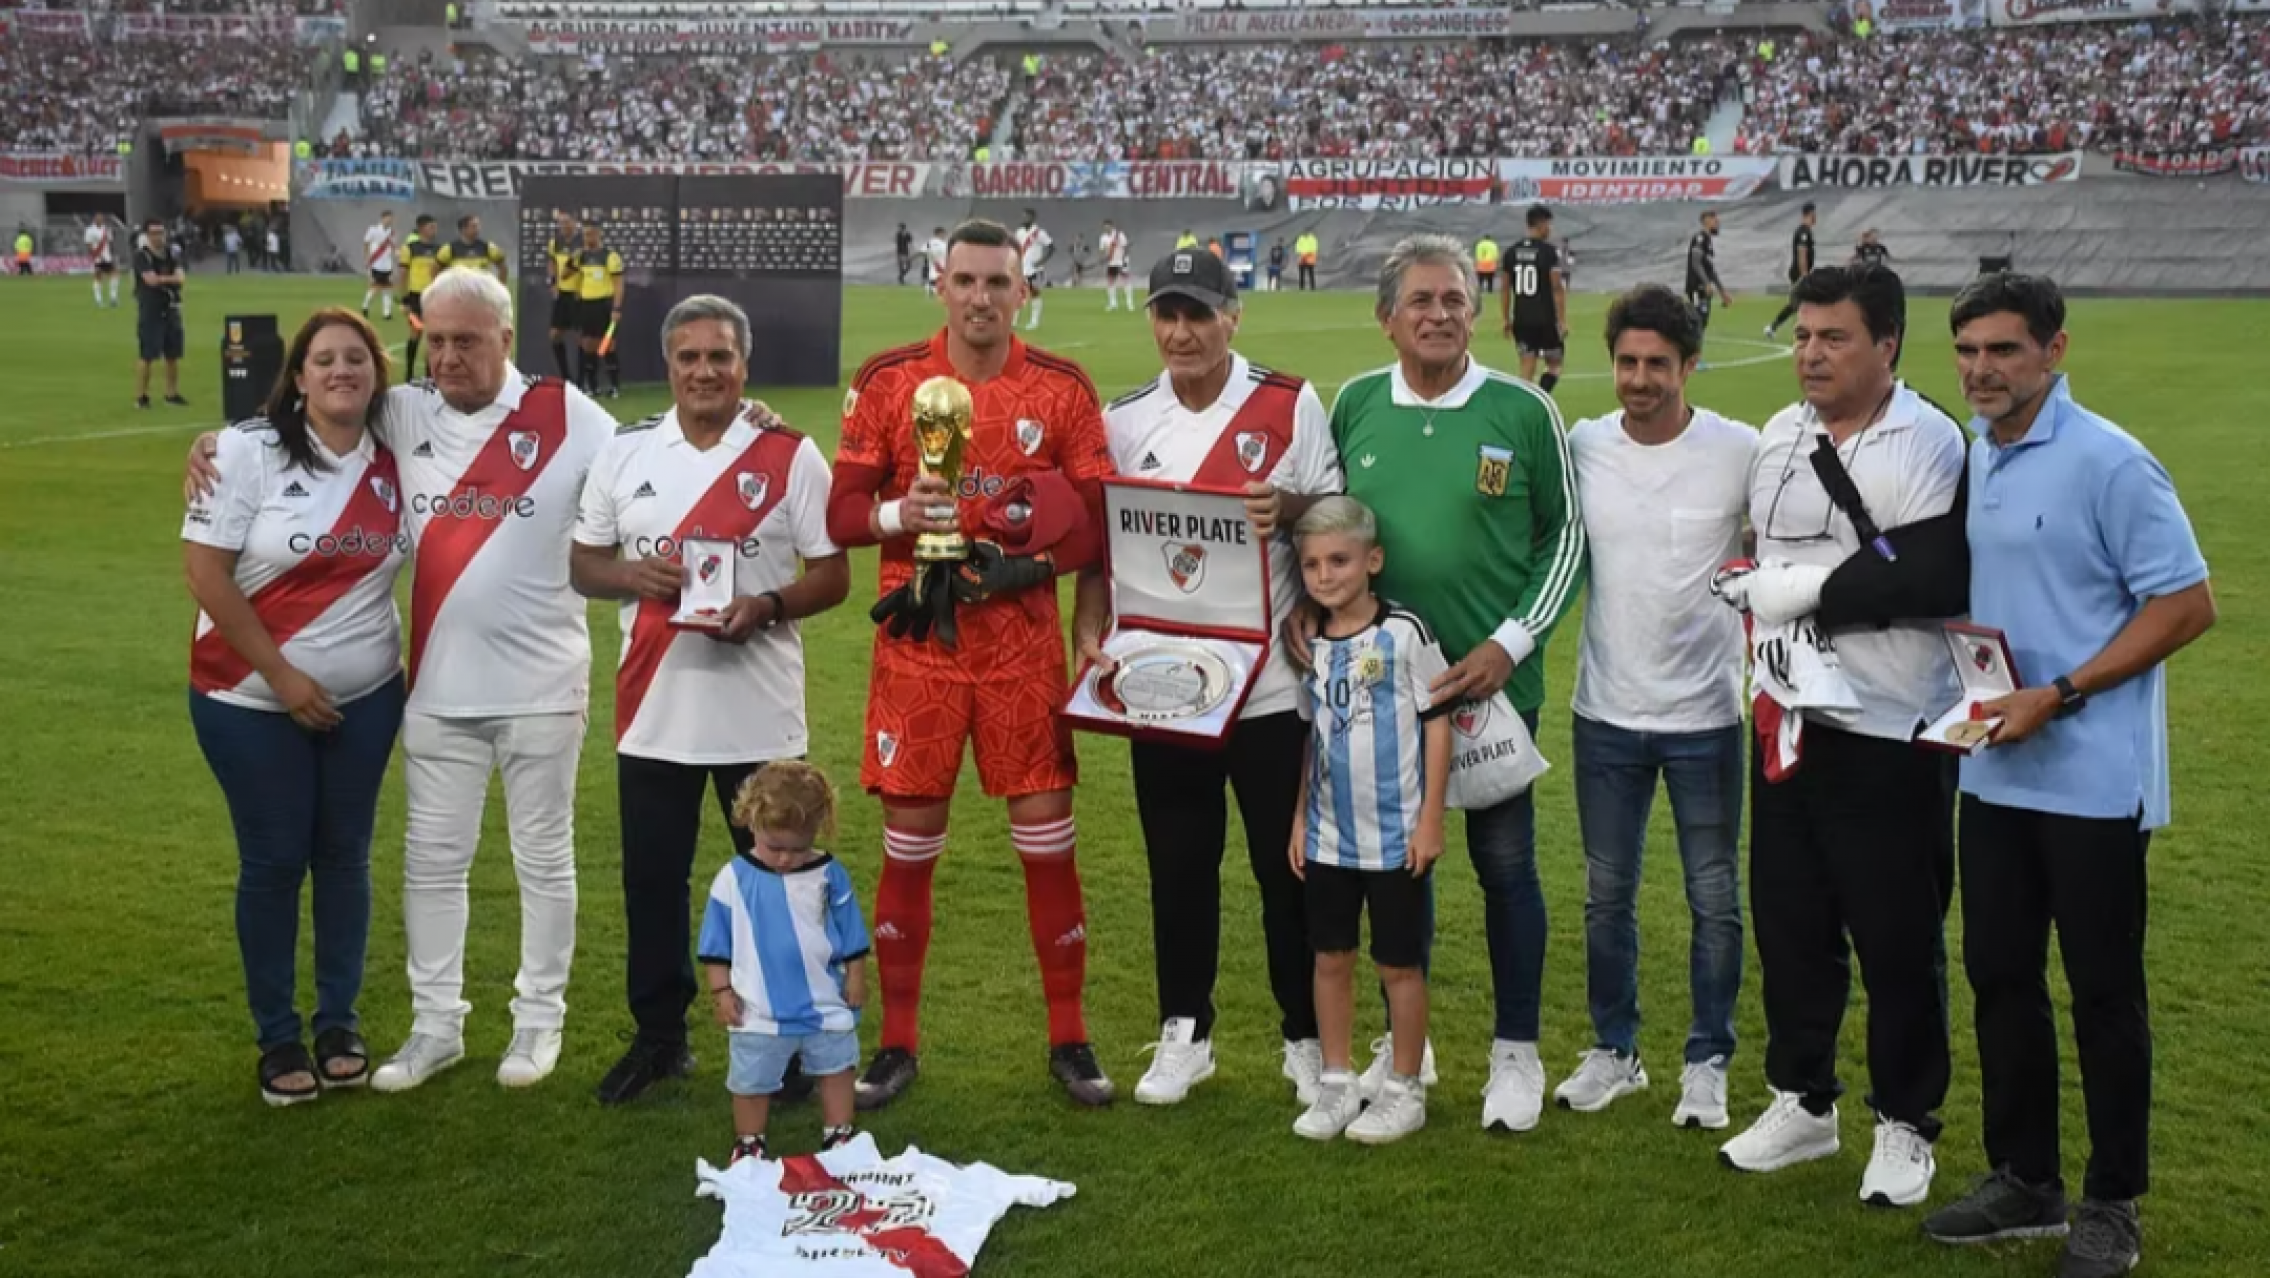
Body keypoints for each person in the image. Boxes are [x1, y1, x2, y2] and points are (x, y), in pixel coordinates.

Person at [187, 267, 617, 1094]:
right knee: (431, 864)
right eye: (436, 340)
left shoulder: (569, 414)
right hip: (436, 694)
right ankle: (435, 1027)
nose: (448, 357)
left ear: (505, 339)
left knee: (543, 860)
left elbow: (658, 457)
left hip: (545, 687)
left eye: (467, 341)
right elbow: (310, 408)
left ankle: (538, 1022)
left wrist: (750, 421)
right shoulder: (405, 409)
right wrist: (213, 442)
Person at [1921, 274, 2215, 1278]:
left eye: (2002, 350)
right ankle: (2026, 1179)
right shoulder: (1976, 453)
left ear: (2054, 351)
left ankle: (2112, 1201)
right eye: (1967, 350)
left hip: (2091, 780)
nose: (1980, 370)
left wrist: (2061, 691)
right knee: (1999, 977)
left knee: (2102, 994)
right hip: (1994, 774)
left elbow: (2185, 604)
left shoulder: (2110, 462)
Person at [825, 218, 1115, 1111]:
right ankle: (896, 1044)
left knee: (1047, 843)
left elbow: (1097, 527)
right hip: (919, 645)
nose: (981, 297)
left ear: (1023, 291)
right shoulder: (889, 380)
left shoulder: (1062, 387)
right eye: (966, 281)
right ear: (940, 287)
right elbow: (839, 514)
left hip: (1022, 651)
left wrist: (1035, 573)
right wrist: (898, 517)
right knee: (909, 848)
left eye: (998, 282)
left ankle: (1070, 1037)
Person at [1711, 264, 1966, 1209]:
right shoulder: (1782, 431)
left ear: (1887, 344)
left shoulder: (1927, 439)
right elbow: (1771, 550)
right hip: (1788, 718)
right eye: (1803, 337)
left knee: (1897, 934)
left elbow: (1928, 574)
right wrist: (1760, 583)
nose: (1811, 354)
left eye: (1834, 338)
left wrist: (1803, 590)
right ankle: (1803, 1100)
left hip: (1891, 726)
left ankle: (1905, 1121)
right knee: (1791, 922)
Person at [1322, 234, 1586, 1132]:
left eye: (1454, 301)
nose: (1439, 315)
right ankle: (1410, 1045)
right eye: (1421, 301)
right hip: (1384, 691)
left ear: (1476, 314)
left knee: (1506, 867)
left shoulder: (1522, 409)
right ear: (1386, 317)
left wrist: (1511, 643)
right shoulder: (1356, 403)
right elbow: (1333, 527)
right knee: (1400, 869)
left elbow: (1565, 536)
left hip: (1493, 687)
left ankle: (1516, 1052)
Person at [1074, 250, 1339, 1109]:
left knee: (1284, 869)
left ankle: (1303, 1036)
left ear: (1234, 315)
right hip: (1166, 690)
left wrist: (1288, 510)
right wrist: (1087, 624)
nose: (1182, 332)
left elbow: (1338, 516)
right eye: (1168, 314)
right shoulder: (1125, 420)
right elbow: (1100, 545)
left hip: (1270, 690)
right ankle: (1185, 1032)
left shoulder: (1289, 402)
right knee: (1179, 866)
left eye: (1199, 314)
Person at [572, 295, 851, 1105]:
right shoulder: (625, 451)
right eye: (689, 357)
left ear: (743, 365)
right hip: (652, 713)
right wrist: (629, 575)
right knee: (652, 883)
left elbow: (833, 574)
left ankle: (788, 1039)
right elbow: (584, 563)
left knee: (779, 884)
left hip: (759, 715)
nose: (704, 371)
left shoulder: (789, 455)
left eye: (719, 356)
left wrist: (766, 605)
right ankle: (660, 1038)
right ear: (668, 365)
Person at [183, 309, 407, 1106]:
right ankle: (277, 1036)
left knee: (346, 858)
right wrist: (282, 679)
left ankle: (339, 1023)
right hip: (246, 699)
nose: (342, 370)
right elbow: (205, 574)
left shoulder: (402, 450)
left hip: (368, 699)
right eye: (324, 359)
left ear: (377, 372)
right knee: (275, 861)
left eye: (357, 358)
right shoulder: (247, 451)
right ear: (300, 376)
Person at [1556, 285, 1755, 1129]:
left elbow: (1777, 546)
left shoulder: (1739, 450)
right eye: (1627, 362)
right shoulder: (1583, 444)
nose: (1640, 379)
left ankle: (1707, 1061)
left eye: (1658, 364)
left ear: (1690, 365)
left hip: (1706, 717)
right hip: (1605, 711)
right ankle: (1616, 1051)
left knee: (1714, 898)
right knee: (1607, 896)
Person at [1284, 497, 1452, 1145]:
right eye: (1312, 565)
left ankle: (1405, 1089)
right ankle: (1336, 1082)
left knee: (1398, 966)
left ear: (1372, 560)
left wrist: (1431, 818)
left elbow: (1437, 722)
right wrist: (1300, 817)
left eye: (1340, 561)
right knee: (1330, 956)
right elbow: (1313, 736)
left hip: (1394, 837)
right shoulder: (1311, 643)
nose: (1325, 575)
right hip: (1330, 835)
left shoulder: (1405, 632)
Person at [701, 762, 870, 1165]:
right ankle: (750, 1141)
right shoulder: (733, 878)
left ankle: (839, 1134)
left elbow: (851, 933)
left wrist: (857, 977)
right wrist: (721, 991)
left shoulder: (830, 875)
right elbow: (715, 944)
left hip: (824, 1001)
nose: (784, 859)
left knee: (837, 1067)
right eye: (774, 847)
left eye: (797, 849)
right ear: (752, 821)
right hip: (758, 1008)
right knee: (751, 1079)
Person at [1500, 205, 1568, 395]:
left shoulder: (1511, 252)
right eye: (1548, 224)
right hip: (1546, 319)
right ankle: (1541, 397)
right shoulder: (1548, 252)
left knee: (1526, 368)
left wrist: (1505, 318)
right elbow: (1556, 287)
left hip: (1522, 319)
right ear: (1541, 224)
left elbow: (1505, 288)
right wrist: (1562, 320)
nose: (1550, 229)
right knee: (1554, 364)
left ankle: (1524, 404)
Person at [135, 218, 189, 410]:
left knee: (173, 354)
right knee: (147, 355)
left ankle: (171, 394)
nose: (158, 237)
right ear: (147, 235)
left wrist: (163, 279)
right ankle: (142, 396)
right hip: (151, 310)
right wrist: (171, 279)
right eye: (154, 233)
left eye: (161, 232)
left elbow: (181, 278)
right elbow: (150, 280)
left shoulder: (171, 254)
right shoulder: (142, 256)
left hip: (171, 308)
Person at [574, 223, 625, 399]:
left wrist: (616, 307)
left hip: (604, 304)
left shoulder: (610, 256)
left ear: (598, 235)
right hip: (586, 304)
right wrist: (573, 259)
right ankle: (592, 386)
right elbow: (566, 275)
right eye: (585, 235)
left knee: (607, 344)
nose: (588, 238)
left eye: (591, 234)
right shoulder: (581, 256)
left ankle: (614, 386)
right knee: (588, 344)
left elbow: (618, 284)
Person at [1685, 212, 1733, 359]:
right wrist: (1706, 283)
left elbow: (1710, 269)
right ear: (1707, 221)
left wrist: (1722, 291)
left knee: (1702, 321)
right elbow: (1695, 262)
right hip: (1696, 287)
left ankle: (1694, 354)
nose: (1718, 224)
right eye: (1715, 221)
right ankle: (1692, 355)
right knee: (1697, 320)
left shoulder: (1708, 241)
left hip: (1704, 288)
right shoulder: (1700, 238)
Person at [400, 214, 442, 381]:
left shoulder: (440, 249)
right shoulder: (410, 248)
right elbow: (403, 275)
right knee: (415, 334)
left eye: (435, 227)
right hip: (415, 297)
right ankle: (409, 372)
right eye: (431, 227)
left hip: (434, 297)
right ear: (421, 228)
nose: (434, 230)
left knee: (432, 335)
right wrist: (405, 300)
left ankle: (429, 374)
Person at [1766, 203, 1817, 339]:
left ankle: (1773, 327)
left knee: (1797, 304)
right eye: (1814, 214)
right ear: (1811, 213)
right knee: (1803, 304)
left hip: (1799, 273)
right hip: (1799, 273)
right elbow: (1802, 253)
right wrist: (1804, 276)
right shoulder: (1803, 232)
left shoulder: (1806, 231)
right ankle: (1803, 332)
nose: (1816, 217)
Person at [547, 211, 583, 384]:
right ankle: (566, 376)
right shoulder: (555, 243)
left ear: (575, 223)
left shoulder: (582, 243)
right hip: (562, 293)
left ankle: (582, 379)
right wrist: (553, 282)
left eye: (568, 222)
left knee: (581, 337)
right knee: (555, 335)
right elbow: (552, 262)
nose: (565, 226)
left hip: (579, 294)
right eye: (561, 223)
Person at [436, 213, 508, 283]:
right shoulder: (449, 248)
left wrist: (500, 286)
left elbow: (503, 268)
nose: (478, 229)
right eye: (474, 226)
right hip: (459, 290)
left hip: (481, 290)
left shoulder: (488, 247)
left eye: (478, 226)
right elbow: (436, 269)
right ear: (463, 229)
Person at [1014, 209, 1054, 332]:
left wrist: (1042, 261)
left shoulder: (1039, 233)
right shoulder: (1019, 232)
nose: (1024, 218)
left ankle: (1034, 321)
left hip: (1034, 269)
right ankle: (1013, 320)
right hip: (1021, 268)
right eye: (1023, 216)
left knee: (1034, 293)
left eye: (1026, 216)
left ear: (1033, 218)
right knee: (1017, 293)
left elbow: (1051, 247)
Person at [362, 210, 397, 321]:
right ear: (382, 218)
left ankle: (387, 313)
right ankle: (365, 306)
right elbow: (366, 243)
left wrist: (397, 253)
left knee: (387, 289)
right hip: (376, 263)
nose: (389, 220)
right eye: (388, 218)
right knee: (375, 288)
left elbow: (393, 246)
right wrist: (367, 258)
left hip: (387, 265)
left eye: (391, 218)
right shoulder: (373, 230)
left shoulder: (392, 232)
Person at [85, 215, 120, 308]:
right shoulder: (90, 230)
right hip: (97, 257)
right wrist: (95, 256)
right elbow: (89, 244)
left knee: (115, 274)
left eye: (101, 218)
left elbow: (110, 242)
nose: (100, 219)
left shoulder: (106, 229)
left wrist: (112, 254)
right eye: (98, 218)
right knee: (98, 277)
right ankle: (98, 300)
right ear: (95, 219)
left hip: (107, 257)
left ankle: (113, 298)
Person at [1100, 220, 1132, 310]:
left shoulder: (1119, 235)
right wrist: (1103, 258)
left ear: (1111, 226)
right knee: (1110, 282)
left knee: (1126, 282)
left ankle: (1129, 303)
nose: (1106, 228)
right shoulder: (1103, 237)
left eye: (1108, 226)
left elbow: (1126, 248)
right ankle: (1113, 303)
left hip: (1121, 261)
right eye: (1105, 227)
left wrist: (1125, 260)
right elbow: (1102, 250)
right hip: (1111, 263)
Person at [923, 226, 947, 298]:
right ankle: (931, 290)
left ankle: (931, 289)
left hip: (936, 264)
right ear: (939, 233)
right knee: (937, 278)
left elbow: (922, 251)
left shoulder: (929, 242)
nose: (944, 235)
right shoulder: (942, 244)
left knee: (935, 278)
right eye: (943, 233)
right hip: (939, 265)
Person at [895, 222, 914, 286]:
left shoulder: (908, 234)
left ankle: (901, 276)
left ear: (903, 228)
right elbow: (897, 242)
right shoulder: (898, 234)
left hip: (906, 252)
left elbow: (910, 242)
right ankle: (901, 279)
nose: (899, 229)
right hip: (899, 252)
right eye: (899, 227)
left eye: (900, 227)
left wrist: (912, 249)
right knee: (901, 266)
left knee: (909, 266)